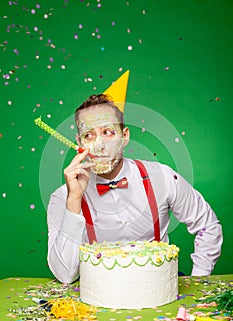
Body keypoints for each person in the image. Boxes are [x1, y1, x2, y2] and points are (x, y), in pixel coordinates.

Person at [47, 94, 223, 284]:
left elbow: (208, 226)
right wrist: (74, 201)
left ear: (125, 136)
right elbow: (64, 275)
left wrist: (199, 279)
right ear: (80, 144)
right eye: (89, 135)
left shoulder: (162, 177)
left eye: (108, 132)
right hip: (99, 295)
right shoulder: (62, 197)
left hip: (162, 289)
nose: (98, 145)